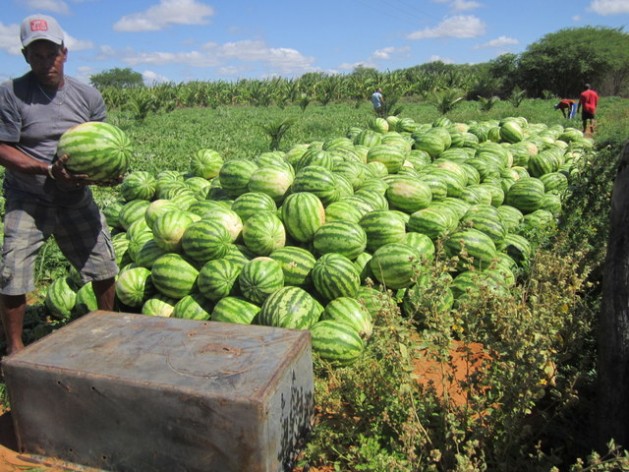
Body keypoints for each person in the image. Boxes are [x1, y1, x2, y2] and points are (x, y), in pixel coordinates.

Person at [0, 14, 119, 356]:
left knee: (104, 266)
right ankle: (15, 349)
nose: (45, 61)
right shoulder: (11, 94)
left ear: (64, 53)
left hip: (74, 196)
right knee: (14, 273)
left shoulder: (87, 96)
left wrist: (109, 173)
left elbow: (105, 143)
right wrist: (45, 169)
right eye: (36, 54)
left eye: (51, 53)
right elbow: (3, 147)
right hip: (28, 196)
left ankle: (111, 331)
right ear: (25, 56)